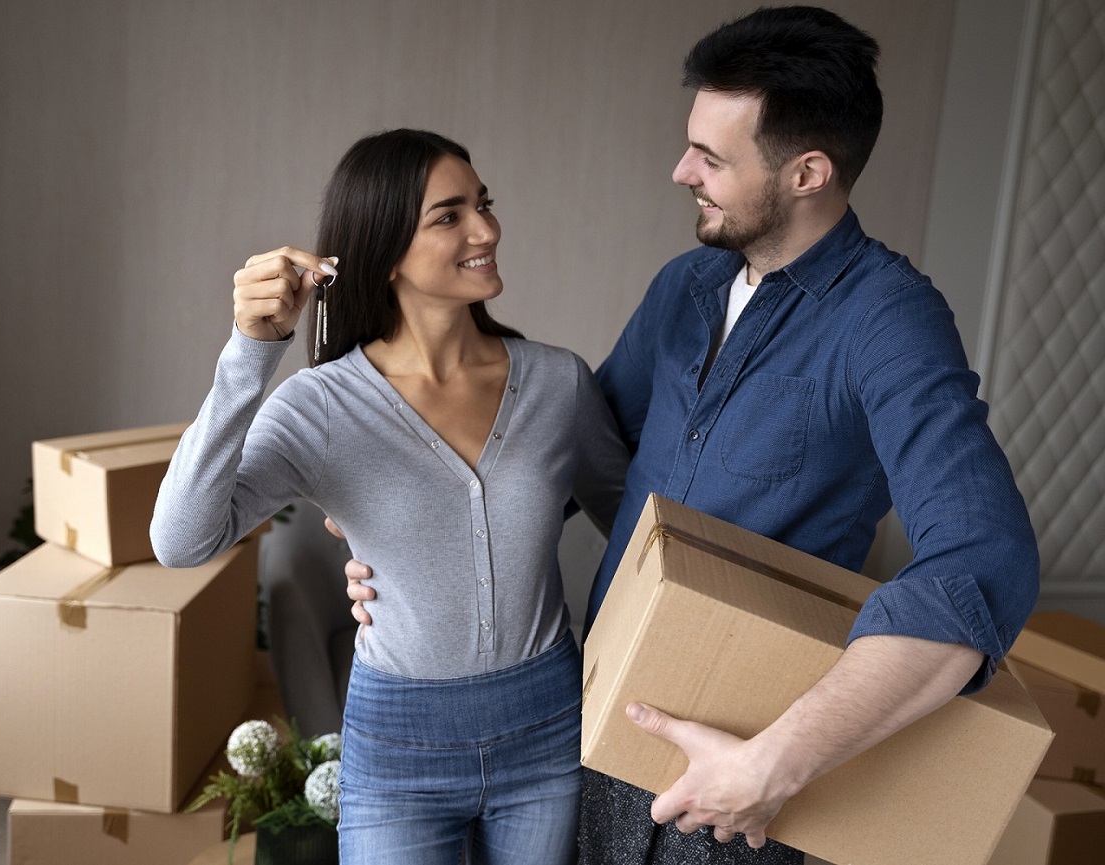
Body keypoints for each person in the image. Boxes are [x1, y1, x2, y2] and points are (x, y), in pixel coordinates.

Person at [341, 7, 1039, 865]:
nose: (681, 171)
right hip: (603, 741)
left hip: (743, 791)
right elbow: (550, 461)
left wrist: (774, 763)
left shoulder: (890, 319)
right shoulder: (687, 285)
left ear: (807, 172)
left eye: (711, 157)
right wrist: (404, 556)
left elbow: (982, 557)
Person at [150, 128, 627, 865]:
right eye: (450, 215)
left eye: (484, 204)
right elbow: (181, 539)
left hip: (550, 728)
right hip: (399, 746)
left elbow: (636, 532)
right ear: (385, 249)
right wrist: (250, 352)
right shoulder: (322, 407)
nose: (487, 229)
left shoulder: (559, 383)